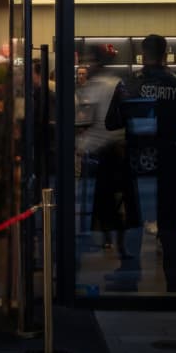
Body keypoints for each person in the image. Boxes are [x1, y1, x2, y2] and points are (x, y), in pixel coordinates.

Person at [105, 33, 176, 293]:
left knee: (134, 221)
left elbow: (111, 122)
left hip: (135, 161)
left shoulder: (127, 84)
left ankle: (130, 276)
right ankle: (174, 280)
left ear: (142, 55)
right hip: (168, 160)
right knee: (168, 222)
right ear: (165, 55)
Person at [76, 45, 140, 256]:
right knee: (116, 200)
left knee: (103, 201)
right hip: (117, 149)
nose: (87, 65)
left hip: (100, 151)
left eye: (90, 61)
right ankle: (119, 244)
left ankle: (108, 239)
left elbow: (85, 121)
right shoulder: (116, 83)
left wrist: (81, 145)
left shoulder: (93, 87)